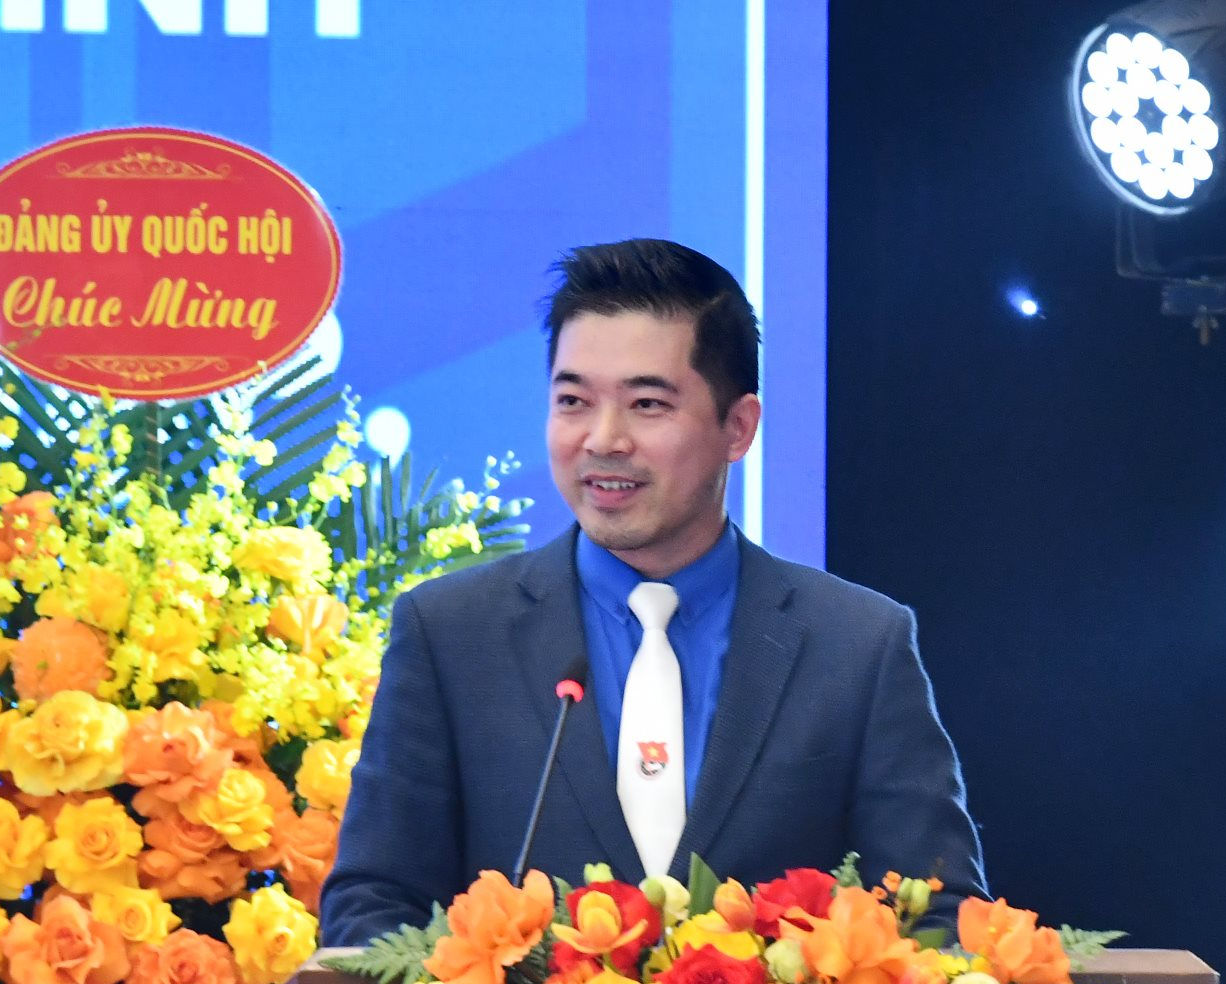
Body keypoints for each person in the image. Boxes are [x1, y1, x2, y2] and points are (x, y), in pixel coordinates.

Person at [320, 238, 986, 945]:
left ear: (738, 427)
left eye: (646, 404)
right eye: (573, 401)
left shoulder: (857, 645)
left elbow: (936, 915)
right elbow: (372, 905)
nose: (603, 439)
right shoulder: (451, 633)